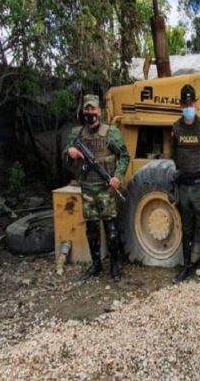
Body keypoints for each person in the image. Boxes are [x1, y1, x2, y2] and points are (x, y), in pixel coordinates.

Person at [65, 94, 130, 281]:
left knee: (111, 230)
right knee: (91, 229)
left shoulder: (111, 133)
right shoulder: (77, 134)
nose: (90, 113)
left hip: (105, 189)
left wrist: (117, 177)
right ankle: (96, 265)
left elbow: (125, 156)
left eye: (93, 109)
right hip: (87, 189)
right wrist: (71, 152)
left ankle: (115, 266)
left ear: (99, 111)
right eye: (87, 109)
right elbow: (66, 154)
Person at [170, 84, 200, 285]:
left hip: (198, 186)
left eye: (191, 102)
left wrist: (199, 172)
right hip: (184, 186)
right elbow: (174, 154)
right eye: (185, 103)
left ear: (196, 103)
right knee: (187, 228)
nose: (188, 106)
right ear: (181, 104)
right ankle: (186, 267)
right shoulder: (176, 128)